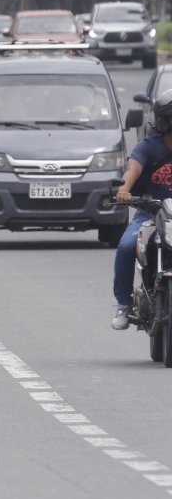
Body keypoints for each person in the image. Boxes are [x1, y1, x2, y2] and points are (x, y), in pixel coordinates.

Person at [111, 89, 172, 330]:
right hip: (151, 213)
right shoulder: (149, 147)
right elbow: (133, 169)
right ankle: (124, 304)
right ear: (164, 119)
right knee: (127, 246)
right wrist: (124, 190)